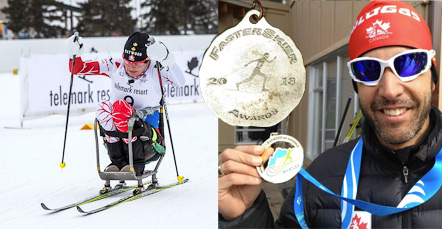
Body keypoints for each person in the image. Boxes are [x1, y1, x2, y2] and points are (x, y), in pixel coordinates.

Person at [218, 0, 442, 227]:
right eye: (368, 69)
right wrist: (244, 216)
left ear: (432, 78)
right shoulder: (320, 178)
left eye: (409, 64)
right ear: (357, 86)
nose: (390, 90)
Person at [66, 31, 184, 176]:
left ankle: (136, 163)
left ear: (148, 60)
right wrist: (74, 55)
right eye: (127, 62)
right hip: (121, 132)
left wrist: (167, 59)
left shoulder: (156, 69)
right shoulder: (115, 65)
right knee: (103, 108)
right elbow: (77, 69)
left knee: (121, 109)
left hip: (148, 139)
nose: (131, 67)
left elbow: (181, 83)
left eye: (137, 64)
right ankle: (117, 162)